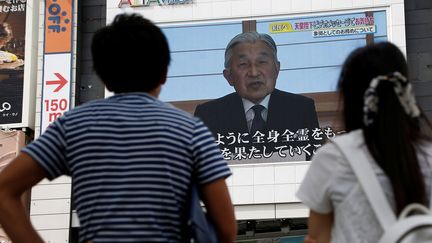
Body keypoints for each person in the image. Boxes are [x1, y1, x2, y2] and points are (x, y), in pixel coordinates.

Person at [0, 14, 237, 243]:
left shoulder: (72, 126)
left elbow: (4, 191)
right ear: (164, 73)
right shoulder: (191, 130)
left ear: (104, 76)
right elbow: (226, 229)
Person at [296, 42, 432, 243]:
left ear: (350, 97)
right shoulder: (428, 154)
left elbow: (317, 238)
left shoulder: (333, 157)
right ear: (404, 89)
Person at [194, 31, 320, 160]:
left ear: (277, 69)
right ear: (229, 77)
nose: (254, 73)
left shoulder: (301, 109)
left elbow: (314, 166)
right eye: (243, 64)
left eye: (262, 62)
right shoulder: (208, 116)